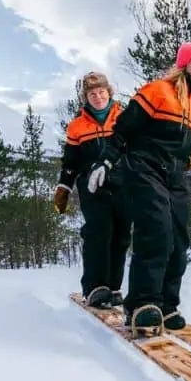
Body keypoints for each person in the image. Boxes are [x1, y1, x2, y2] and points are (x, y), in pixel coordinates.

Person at [85, 42, 191, 330]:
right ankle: (142, 304)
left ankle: (166, 304)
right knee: (156, 231)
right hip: (143, 168)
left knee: (178, 241)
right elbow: (124, 129)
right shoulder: (158, 91)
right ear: (183, 64)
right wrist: (105, 161)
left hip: (174, 175)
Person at [54, 71, 131, 308]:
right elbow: (71, 162)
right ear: (85, 98)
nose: (98, 97)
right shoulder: (77, 126)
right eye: (92, 94)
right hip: (91, 186)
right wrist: (64, 187)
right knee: (99, 231)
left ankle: (114, 287)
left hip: (122, 183)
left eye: (101, 92)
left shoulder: (125, 118)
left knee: (120, 236)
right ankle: (96, 287)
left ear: (109, 93)